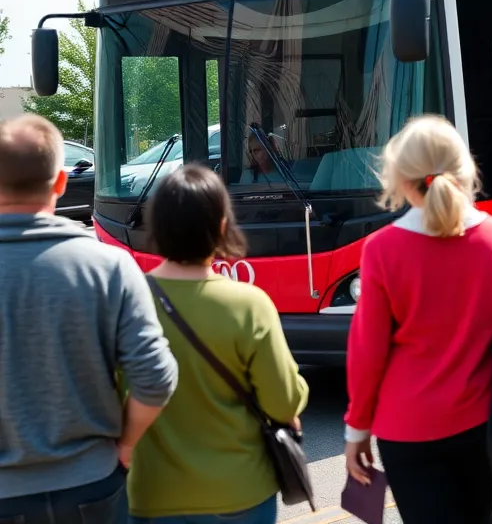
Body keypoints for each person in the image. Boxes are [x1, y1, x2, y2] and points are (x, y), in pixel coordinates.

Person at [344, 116, 492, 522]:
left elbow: (367, 354)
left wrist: (357, 430)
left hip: (407, 431)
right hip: (486, 424)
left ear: (402, 180)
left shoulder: (381, 251)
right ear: (465, 170)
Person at [0, 115, 177, 523]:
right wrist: (127, 446)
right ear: (61, 183)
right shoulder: (110, 265)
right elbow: (156, 377)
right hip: (91, 485)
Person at [127, 165, 309, 524]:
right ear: (222, 226)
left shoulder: (127, 300)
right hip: (241, 493)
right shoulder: (248, 305)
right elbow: (283, 400)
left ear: (156, 227)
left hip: (152, 495)